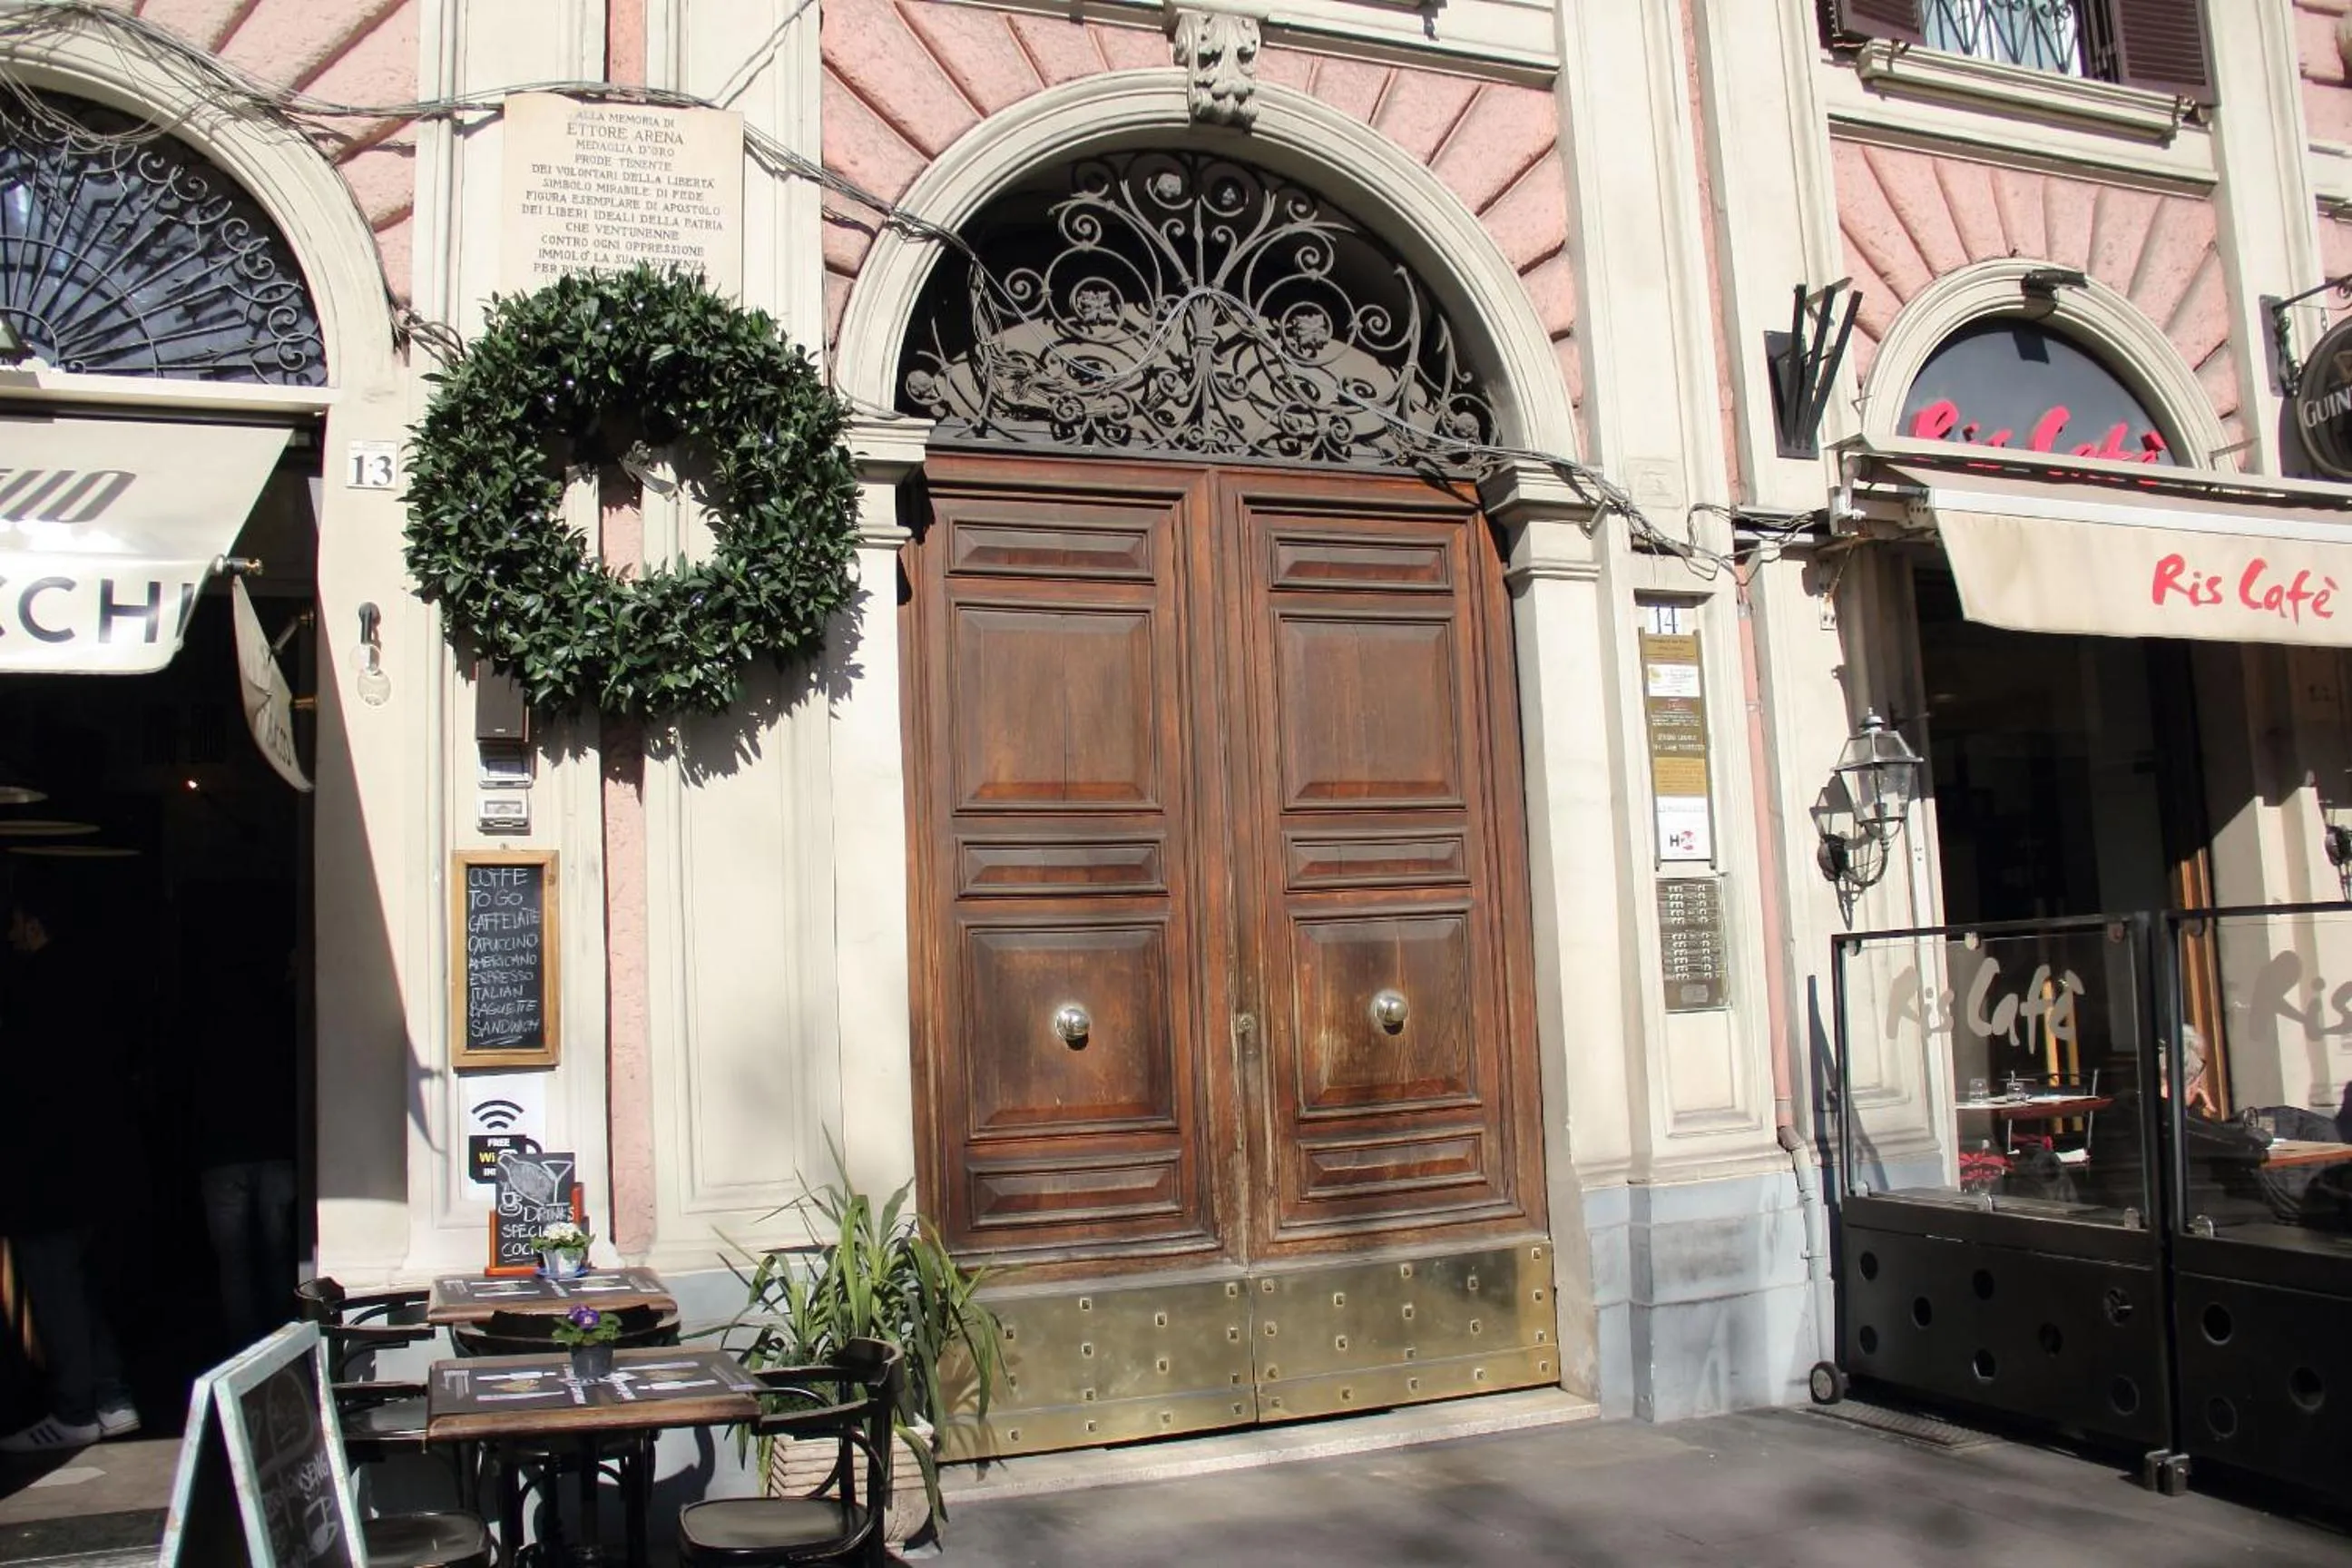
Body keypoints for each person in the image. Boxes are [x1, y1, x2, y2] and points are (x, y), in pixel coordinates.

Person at [0, 884, 141, 1452]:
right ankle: (111, 1396)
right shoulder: (98, 987)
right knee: (79, 1286)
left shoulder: (30, 992)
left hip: (45, 1171)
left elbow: (21, 1087)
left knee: (57, 1289)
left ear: (34, 926)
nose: (10, 936)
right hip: (94, 1167)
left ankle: (78, 1406)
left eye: (14, 925)